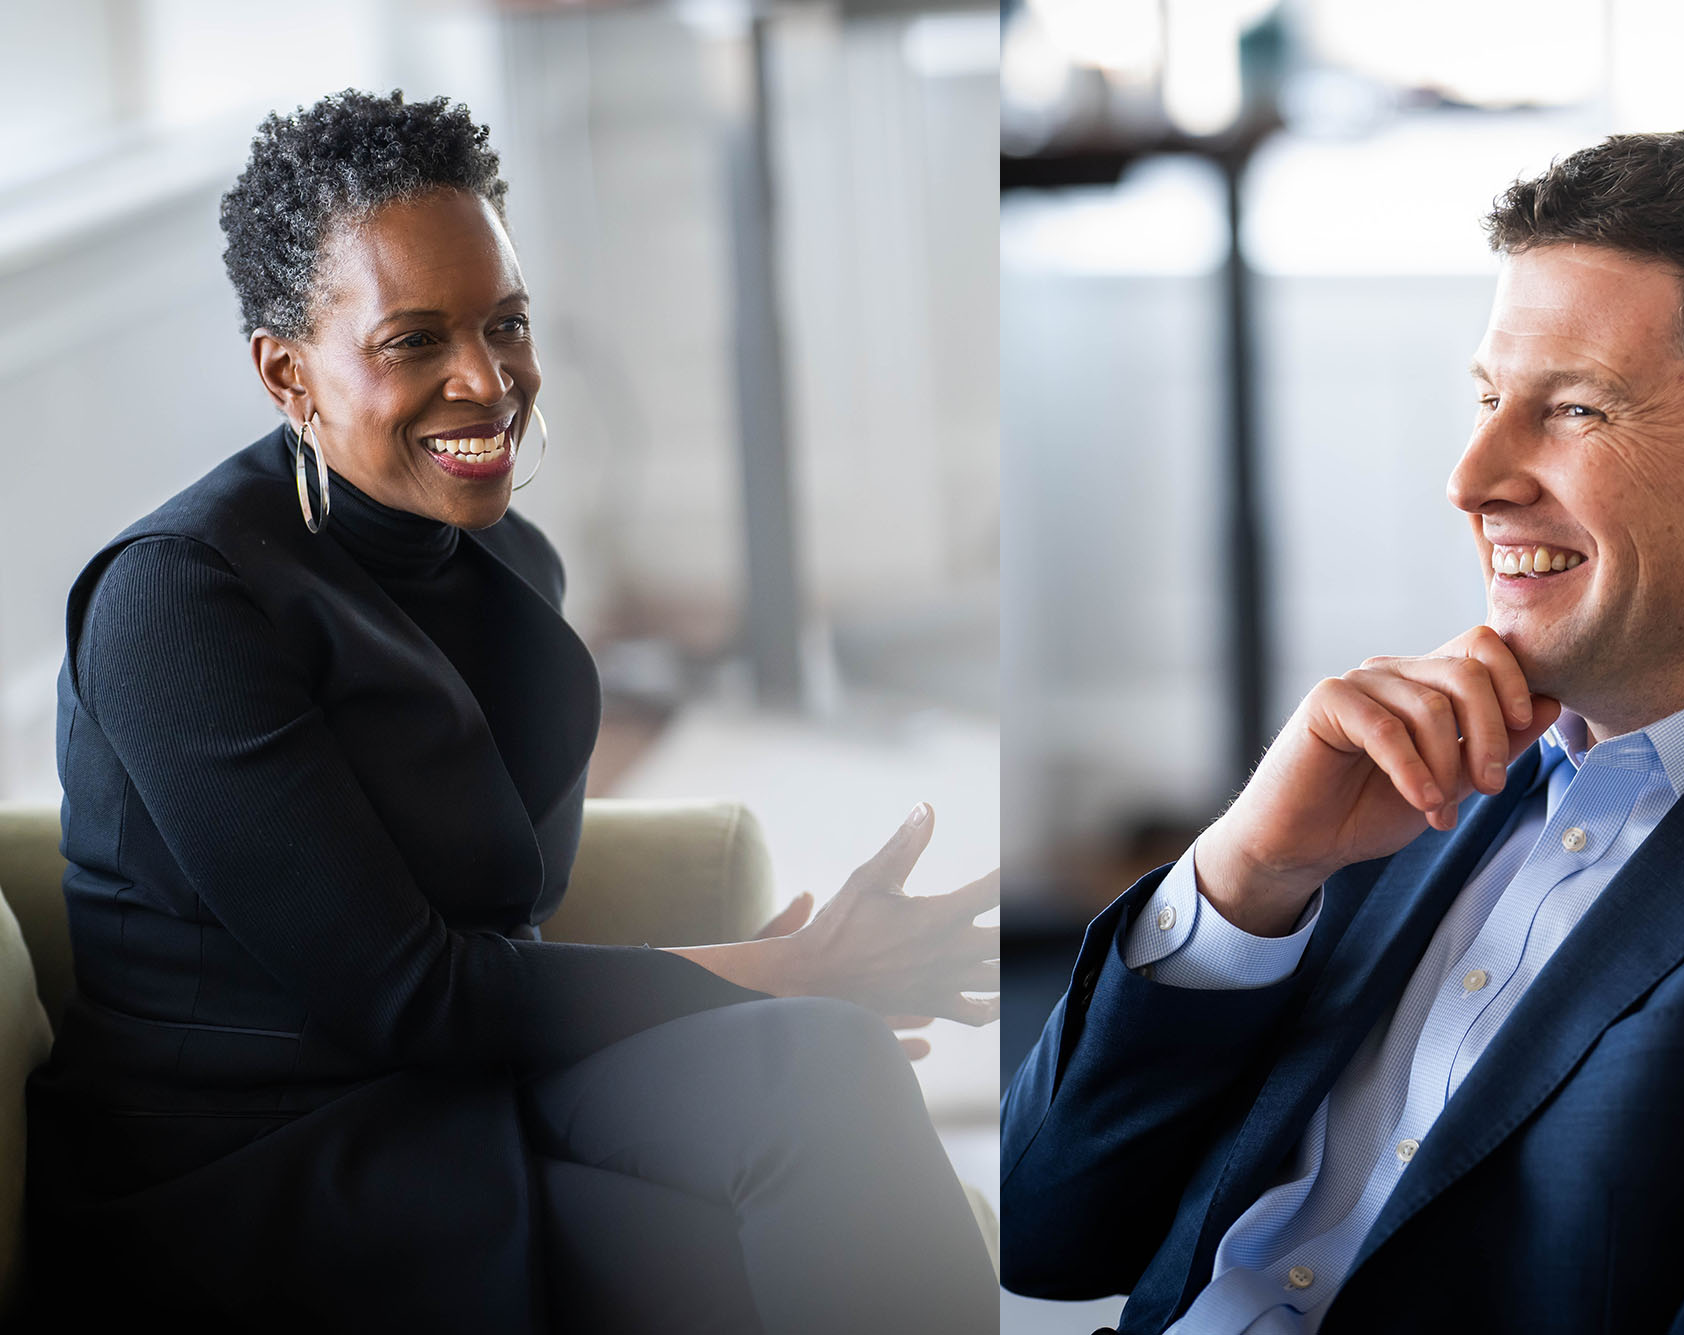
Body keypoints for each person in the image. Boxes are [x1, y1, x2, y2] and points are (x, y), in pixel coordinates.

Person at [26, 89, 998, 1334]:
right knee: (738, 1220)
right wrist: (779, 971)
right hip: (252, 1167)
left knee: (824, 1066)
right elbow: (405, 993)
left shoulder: (506, 560)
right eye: (412, 341)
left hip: (468, 1084)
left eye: (506, 324)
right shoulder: (177, 600)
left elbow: (504, 940)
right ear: (285, 372)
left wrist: (761, 992)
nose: (486, 382)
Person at [1001, 129, 1684, 1332]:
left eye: (1573, 410)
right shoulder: (1391, 782)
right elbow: (1044, 1228)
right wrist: (1247, 877)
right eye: (1486, 400)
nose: (1471, 478)